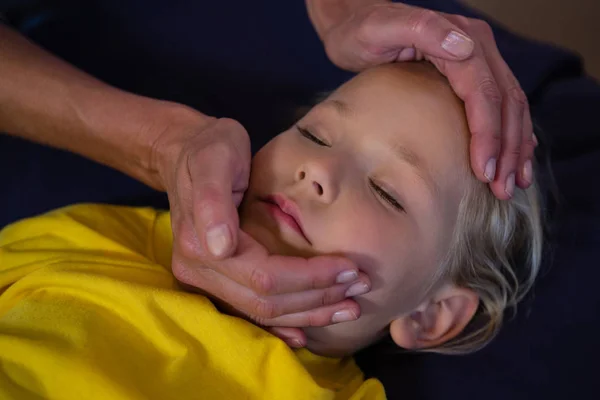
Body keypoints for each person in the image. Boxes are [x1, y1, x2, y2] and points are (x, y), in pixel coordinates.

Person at [0, 0, 537, 346]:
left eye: (387, 193)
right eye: (314, 134)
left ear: (432, 315)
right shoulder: (96, 237)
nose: (317, 168)